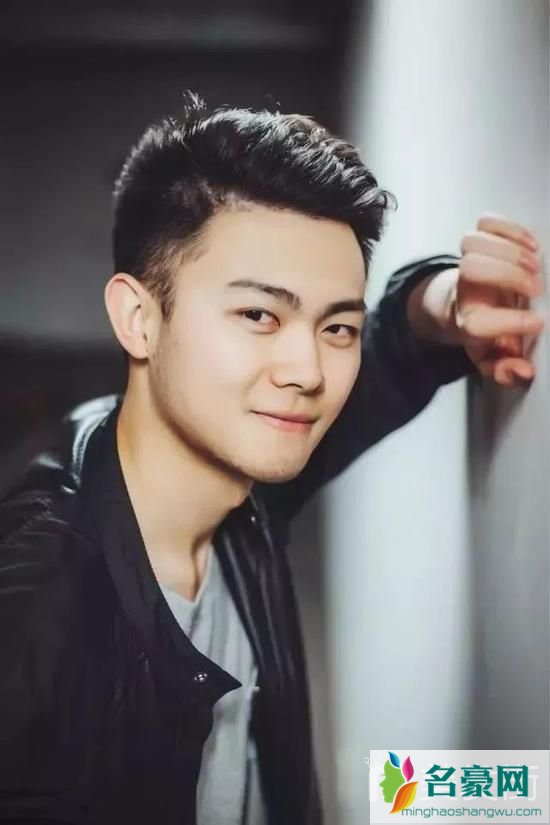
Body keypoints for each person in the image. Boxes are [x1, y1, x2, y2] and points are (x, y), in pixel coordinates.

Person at [0, 93, 544, 825]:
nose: (308, 371)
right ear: (138, 317)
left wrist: (446, 302)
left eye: (336, 326)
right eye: (259, 314)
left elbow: (391, 348)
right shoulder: (39, 608)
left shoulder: (237, 471)